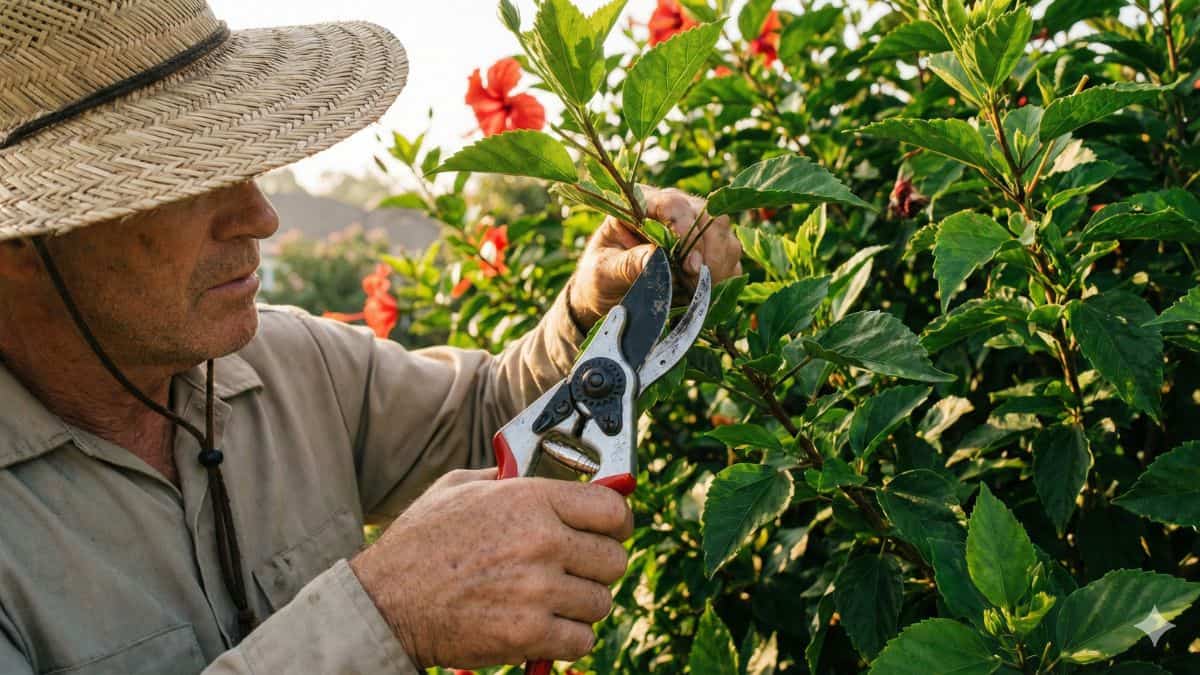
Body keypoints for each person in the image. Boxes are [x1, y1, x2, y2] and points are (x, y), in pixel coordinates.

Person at [0, 1, 743, 673]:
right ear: (23, 240)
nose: (260, 216)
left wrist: (588, 308)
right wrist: (386, 613)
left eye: (242, 166)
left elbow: (486, 418)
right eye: (186, 182)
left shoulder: (288, 365)